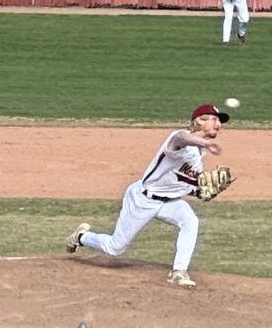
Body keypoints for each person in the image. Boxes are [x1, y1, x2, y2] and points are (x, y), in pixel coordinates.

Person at [65, 104, 230, 288]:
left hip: (170, 202)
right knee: (115, 248)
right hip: (143, 199)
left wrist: (199, 191)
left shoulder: (199, 153)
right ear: (198, 121)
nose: (218, 125)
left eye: (219, 121)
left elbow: (179, 181)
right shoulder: (178, 140)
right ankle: (81, 237)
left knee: (191, 221)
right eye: (214, 119)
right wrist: (205, 141)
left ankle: (178, 272)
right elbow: (181, 138)